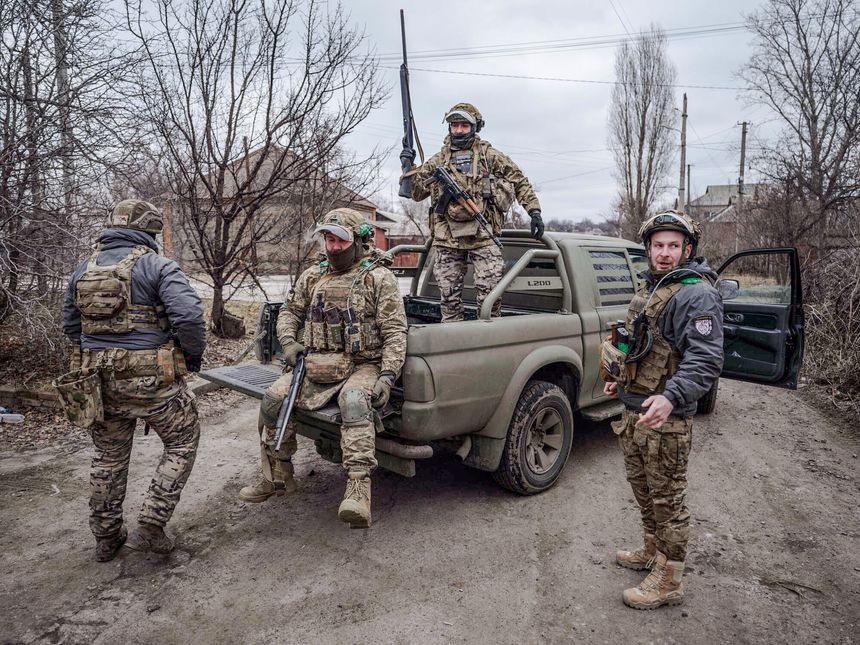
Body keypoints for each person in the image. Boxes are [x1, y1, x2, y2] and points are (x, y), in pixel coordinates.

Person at [239, 208, 407, 529]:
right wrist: (289, 343)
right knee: (274, 398)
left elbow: (394, 331)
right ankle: (278, 474)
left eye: (339, 241)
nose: (332, 248)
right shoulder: (314, 275)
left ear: (358, 241)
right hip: (315, 362)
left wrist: (388, 375)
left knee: (355, 402)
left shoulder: (378, 278)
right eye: (328, 240)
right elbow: (289, 312)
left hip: (362, 365)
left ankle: (358, 488)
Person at [58, 199, 206, 562]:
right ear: (150, 231)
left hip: (98, 383)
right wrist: (191, 355)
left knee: (108, 457)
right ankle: (152, 525)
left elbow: (70, 326)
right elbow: (188, 317)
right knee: (182, 443)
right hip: (153, 381)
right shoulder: (157, 265)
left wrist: (98, 349)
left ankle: (106, 537)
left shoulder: (82, 270)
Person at [602, 210, 723, 609]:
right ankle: (652, 552)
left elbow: (704, 359)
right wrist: (619, 378)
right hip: (635, 409)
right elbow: (641, 344)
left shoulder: (696, 293)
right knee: (644, 492)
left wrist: (671, 396)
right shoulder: (652, 287)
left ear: (687, 249)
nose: (665, 253)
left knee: (668, 500)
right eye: (659, 245)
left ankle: (669, 579)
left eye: (674, 246)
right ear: (649, 249)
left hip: (666, 418)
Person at [403, 102, 543, 322]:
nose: (458, 130)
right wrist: (408, 169)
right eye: (454, 125)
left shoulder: (489, 155)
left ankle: (487, 342)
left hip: (483, 236)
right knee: (448, 300)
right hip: (447, 239)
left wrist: (534, 211)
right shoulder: (439, 160)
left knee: (490, 298)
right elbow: (418, 193)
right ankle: (454, 343)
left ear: (475, 127)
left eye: (464, 125)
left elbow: (519, 180)